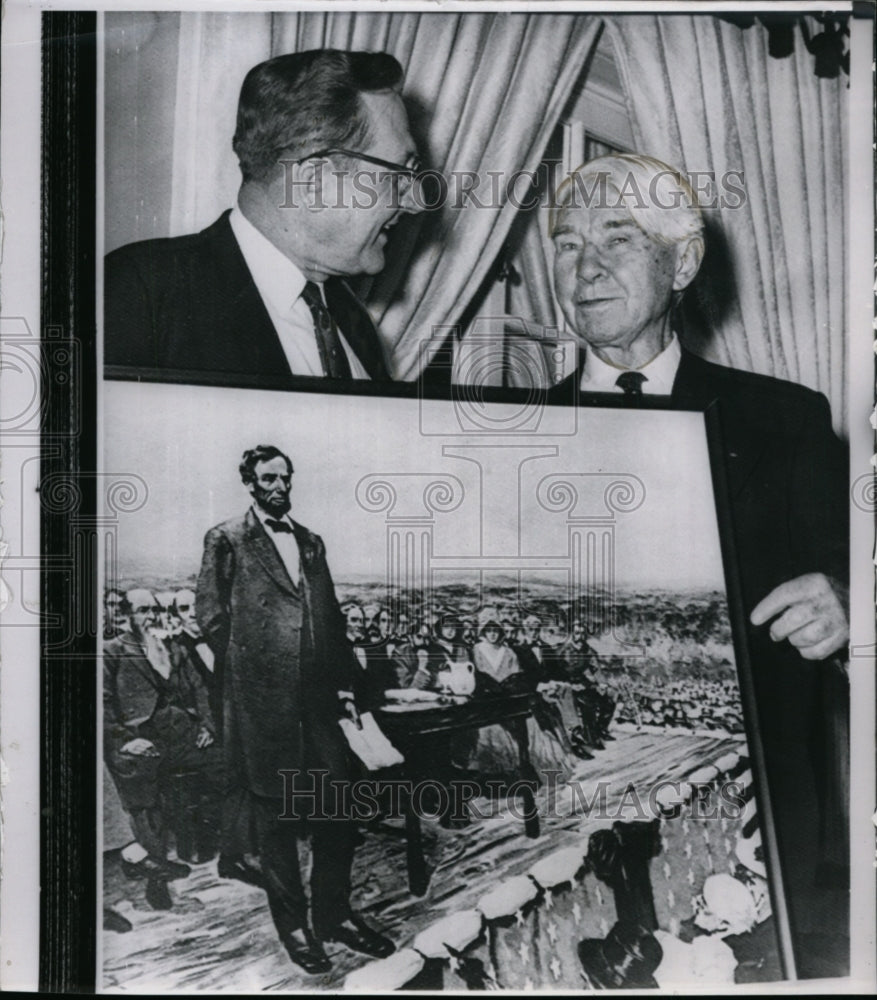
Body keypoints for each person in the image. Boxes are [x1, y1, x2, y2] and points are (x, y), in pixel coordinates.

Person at [548, 153, 849, 976]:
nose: (587, 266)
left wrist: (847, 599)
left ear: (681, 262)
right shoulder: (504, 430)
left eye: (617, 237)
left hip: (764, 829)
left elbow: (843, 572)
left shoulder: (787, 418)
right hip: (577, 808)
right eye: (567, 244)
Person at [105, 50, 422, 381]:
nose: (415, 202)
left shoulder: (354, 322)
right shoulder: (145, 296)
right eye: (399, 173)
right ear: (314, 183)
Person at [196, 445, 394, 974]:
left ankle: (335, 915)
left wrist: (346, 685)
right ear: (250, 483)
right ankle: (297, 930)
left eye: (285, 477)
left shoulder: (310, 541)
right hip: (263, 709)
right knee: (278, 825)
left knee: (336, 813)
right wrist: (254, 673)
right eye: (268, 478)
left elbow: (329, 619)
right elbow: (211, 618)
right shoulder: (227, 539)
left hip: (318, 706)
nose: (279, 486)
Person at [103, 588, 221, 907]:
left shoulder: (171, 648)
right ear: (128, 616)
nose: (151, 617)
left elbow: (198, 688)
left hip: (180, 735)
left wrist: (207, 726)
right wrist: (127, 740)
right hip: (139, 739)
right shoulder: (112, 651)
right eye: (142, 611)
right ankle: (158, 881)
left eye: (154, 610)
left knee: (228, 765)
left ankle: (228, 853)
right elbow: (103, 703)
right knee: (147, 803)